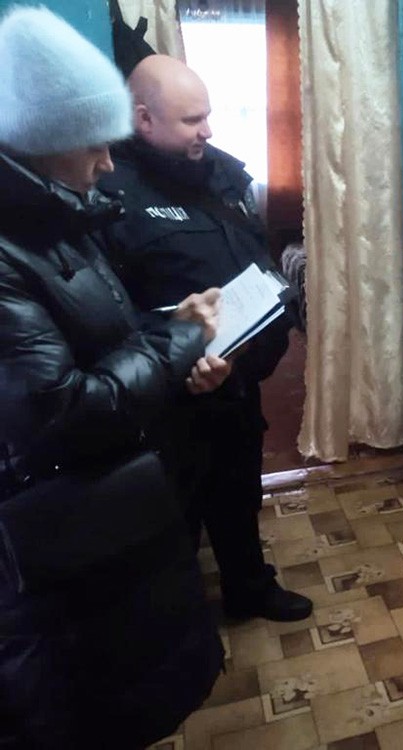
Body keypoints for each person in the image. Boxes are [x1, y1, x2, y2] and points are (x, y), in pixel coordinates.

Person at [0, 7, 229, 747]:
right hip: (60, 543)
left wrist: (172, 340)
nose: (107, 162)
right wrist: (178, 341)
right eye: (96, 142)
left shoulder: (58, 215)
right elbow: (64, 409)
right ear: (45, 143)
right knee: (81, 710)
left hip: (111, 514)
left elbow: (105, 334)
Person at [99, 55, 312, 622]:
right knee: (174, 515)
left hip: (236, 379)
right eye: (192, 120)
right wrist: (176, 353)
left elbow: (254, 253)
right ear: (144, 119)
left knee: (238, 491)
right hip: (170, 397)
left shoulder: (223, 173)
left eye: (208, 115)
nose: (208, 131)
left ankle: (249, 587)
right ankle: (180, 623)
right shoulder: (109, 193)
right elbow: (105, 312)